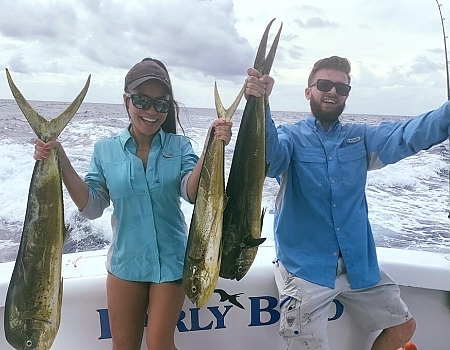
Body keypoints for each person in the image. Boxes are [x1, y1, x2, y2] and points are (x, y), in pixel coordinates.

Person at [244, 55, 450, 350]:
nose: (332, 92)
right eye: (324, 84)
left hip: (358, 265)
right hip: (306, 270)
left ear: (347, 96)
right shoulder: (289, 137)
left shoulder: (360, 138)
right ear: (308, 91)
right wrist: (260, 105)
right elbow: (269, 161)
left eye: (341, 88)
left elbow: (407, 135)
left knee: (404, 327)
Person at [33, 57, 233, 350]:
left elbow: (192, 193)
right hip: (126, 263)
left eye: (161, 104)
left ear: (169, 107)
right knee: (123, 346)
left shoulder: (180, 147)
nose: (151, 111)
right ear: (126, 100)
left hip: (173, 263)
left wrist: (211, 147)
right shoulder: (105, 150)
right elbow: (92, 207)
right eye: (142, 100)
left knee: (159, 343)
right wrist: (59, 160)